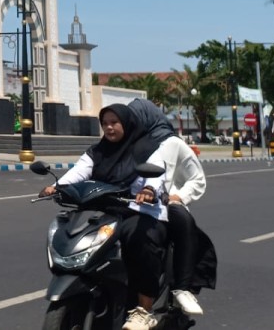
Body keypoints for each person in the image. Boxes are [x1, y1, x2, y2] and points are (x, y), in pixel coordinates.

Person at [40, 103, 168, 330]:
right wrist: (56, 186)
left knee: (139, 239)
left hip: (137, 209)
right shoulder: (97, 151)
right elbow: (79, 171)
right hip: (103, 209)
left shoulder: (147, 148)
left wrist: (148, 190)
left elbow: (156, 174)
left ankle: (144, 308)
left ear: (126, 124)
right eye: (105, 123)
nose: (109, 128)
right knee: (70, 229)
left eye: (114, 123)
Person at [127, 98, 217, 317]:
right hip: (129, 202)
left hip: (164, 203)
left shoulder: (172, 143)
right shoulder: (124, 142)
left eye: (135, 119)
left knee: (182, 221)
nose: (131, 123)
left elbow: (197, 179)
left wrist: (178, 196)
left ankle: (182, 287)